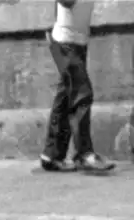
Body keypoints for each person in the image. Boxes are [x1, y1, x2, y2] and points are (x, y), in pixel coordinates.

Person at [40, 0, 116, 172]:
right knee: (82, 94)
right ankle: (84, 154)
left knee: (67, 96)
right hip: (66, 42)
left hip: (76, 41)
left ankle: (51, 154)